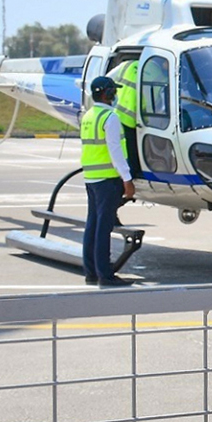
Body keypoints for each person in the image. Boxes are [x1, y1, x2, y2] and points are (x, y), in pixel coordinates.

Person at [80, 75, 135, 288]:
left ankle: (91, 271)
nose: (116, 95)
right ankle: (106, 274)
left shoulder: (89, 115)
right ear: (108, 93)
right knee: (104, 228)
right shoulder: (110, 118)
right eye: (114, 91)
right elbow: (115, 151)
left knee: (92, 225)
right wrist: (127, 179)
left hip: (91, 178)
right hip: (107, 180)